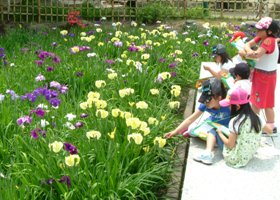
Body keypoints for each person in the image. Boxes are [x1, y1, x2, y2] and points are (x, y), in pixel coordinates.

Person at [165, 78, 231, 165]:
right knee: (192, 129)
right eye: (204, 99)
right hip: (212, 123)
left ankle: (208, 152)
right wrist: (175, 131)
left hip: (226, 127)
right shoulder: (205, 104)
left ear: (219, 98)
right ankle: (213, 140)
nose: (206, 103)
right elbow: (190, 119)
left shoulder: (228, 105)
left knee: (212, 133)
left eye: (208, 100)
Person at [239, 17, 280, 136]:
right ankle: (263, 124)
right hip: (264, 74)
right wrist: (248, 51)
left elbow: (256, 54)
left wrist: (245, 53)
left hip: (265, 77)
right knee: (262, 101)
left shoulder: (268, 41)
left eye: (260, 30)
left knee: (261, 102)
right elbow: (248, 45)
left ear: (269, 31)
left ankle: (260, 125)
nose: (257, 32)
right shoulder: (263, 37)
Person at [218, 87, 272, 168]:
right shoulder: (257, 117)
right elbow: (270, 131)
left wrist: (220, 133)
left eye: (230, 105)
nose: (228, 107)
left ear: (237, 106)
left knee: (220, 135)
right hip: (250, 154)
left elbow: (230, 145)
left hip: (236, 159)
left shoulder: (235, 121)